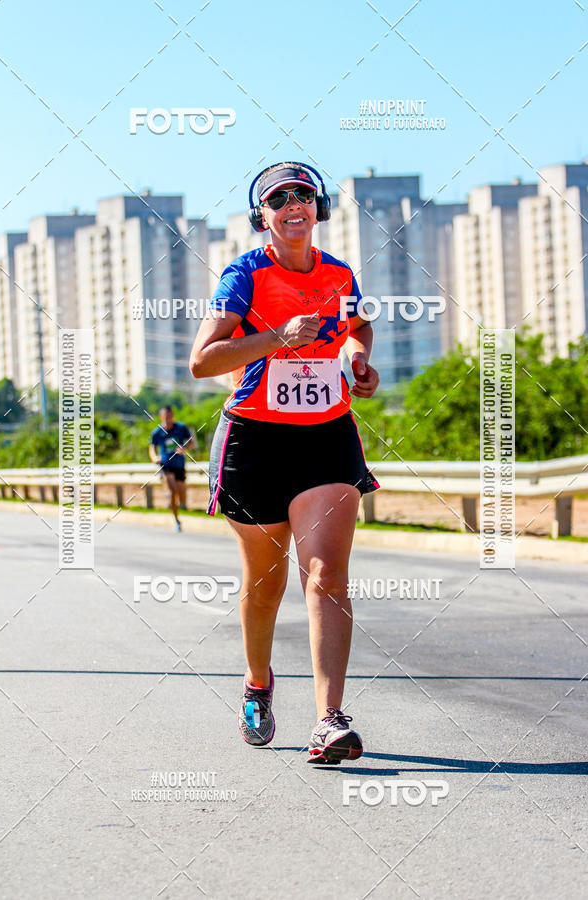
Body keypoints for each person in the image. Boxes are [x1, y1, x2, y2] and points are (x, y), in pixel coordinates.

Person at [190, 162, 379, 764]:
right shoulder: (244, 274)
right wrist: (277, 337)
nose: (294, 204)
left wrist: (356, 361)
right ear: (263, 216)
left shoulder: (339, 273)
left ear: (319, 208)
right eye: (280, 199)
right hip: (255, 442)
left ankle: (329, 719)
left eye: (305, 195)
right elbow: (203, 360)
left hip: (326, 436)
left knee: (325, 574)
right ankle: (257, 681)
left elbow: (357, 328)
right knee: (265, 584)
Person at [149, 406, 194, 531]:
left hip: (179, 464)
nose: (168, 419)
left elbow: (192, 442)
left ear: (173, 415)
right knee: (172, 491)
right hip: (165, 464)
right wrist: (154, 457)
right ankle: (176, 520)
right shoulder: (157, 432)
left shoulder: (181, 428)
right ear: (161, 417)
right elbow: (152, 447)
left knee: (181, 495)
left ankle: (174, 503)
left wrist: (184, 448)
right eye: (166, 416)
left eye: (170, 416)